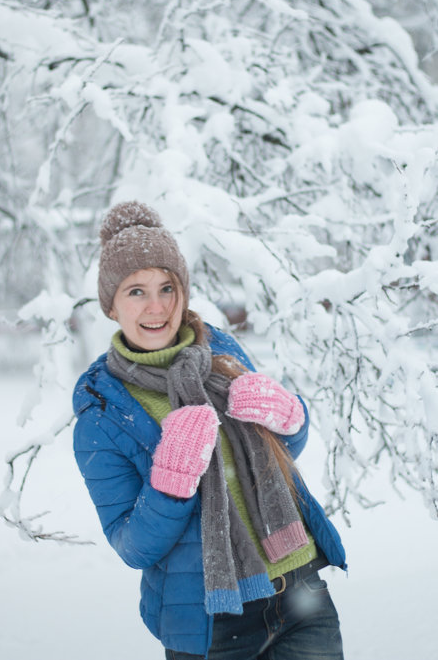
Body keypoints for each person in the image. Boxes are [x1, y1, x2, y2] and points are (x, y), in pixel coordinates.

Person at [72, 200, 346, 660]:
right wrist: (171, 484)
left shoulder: (218, 350)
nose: (156, 306)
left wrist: (291, 418)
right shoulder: (103, 411)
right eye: (136, 292)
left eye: (167, 287)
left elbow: (276, 456)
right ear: (111, 306)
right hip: (213, 624)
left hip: (302, 595)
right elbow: (132, 545)